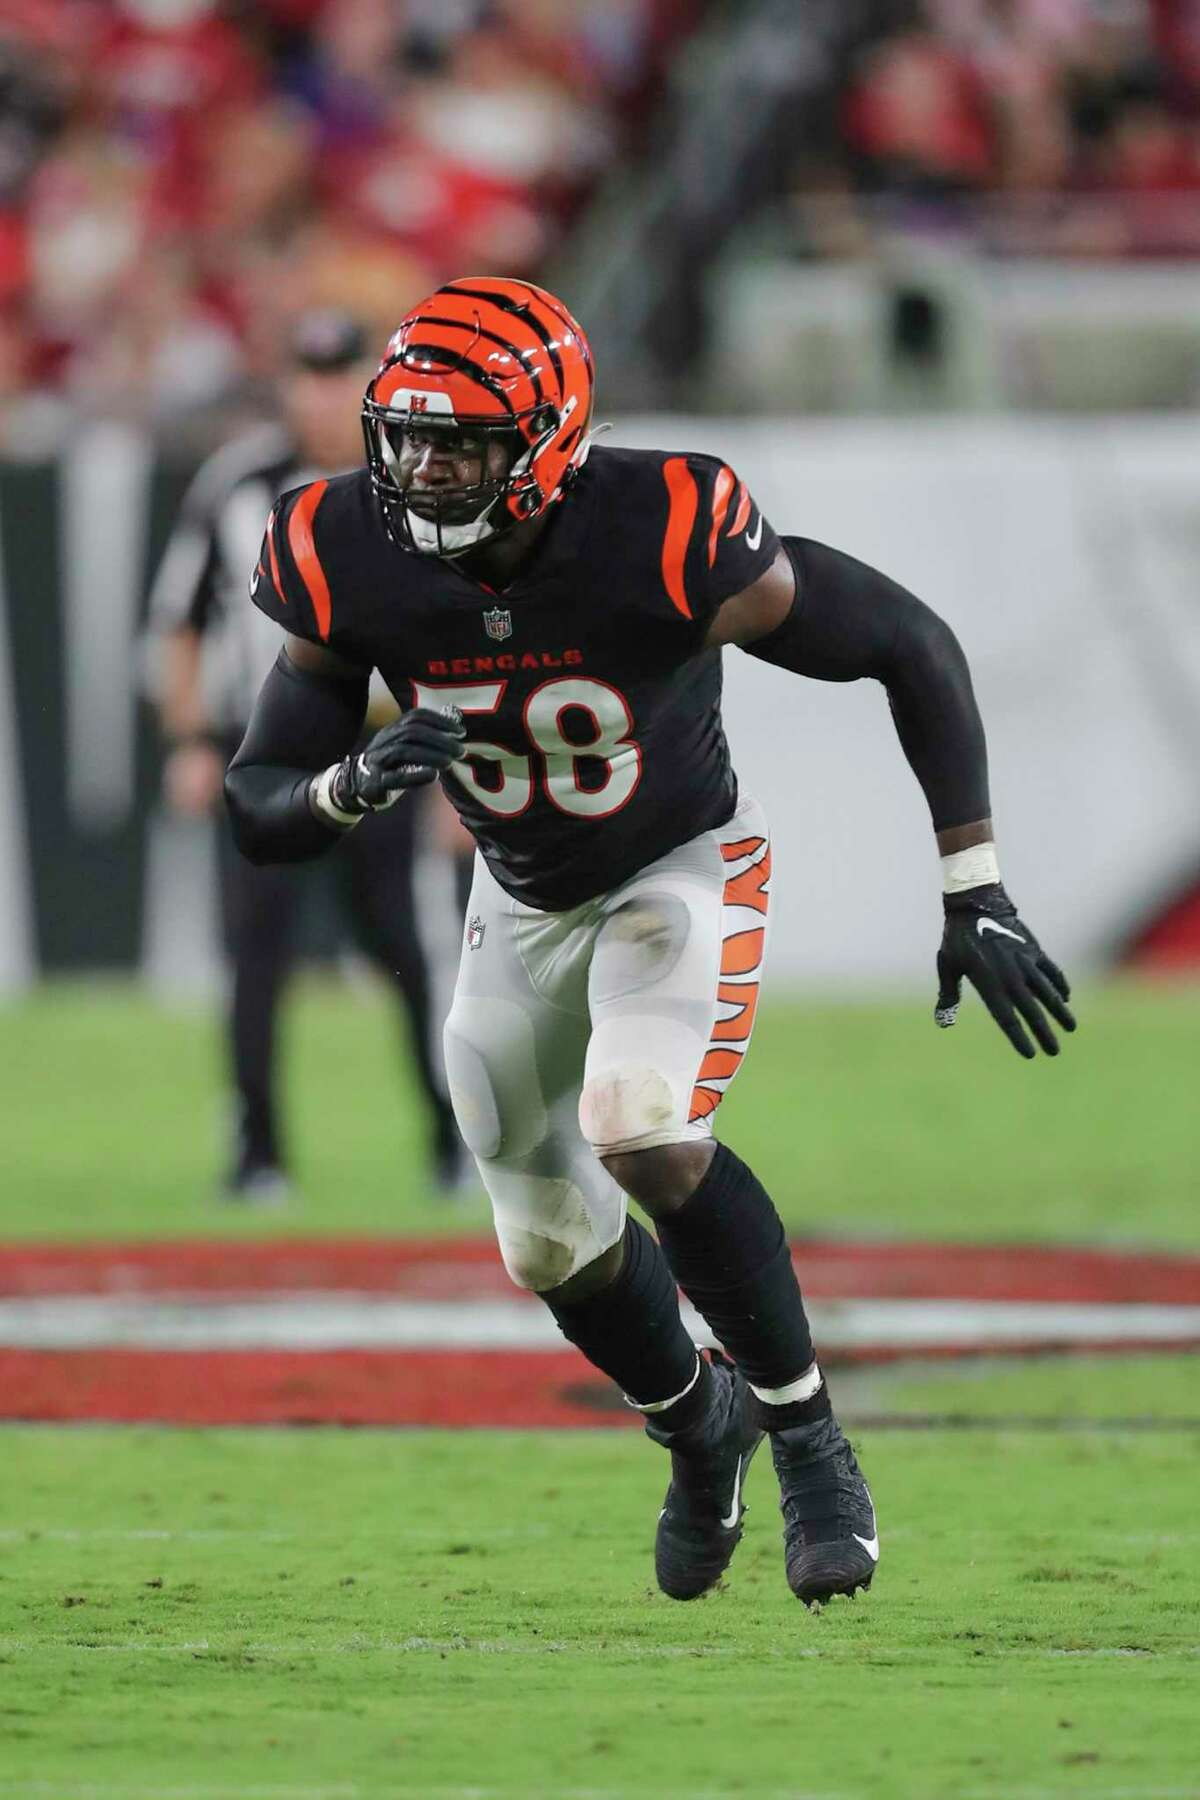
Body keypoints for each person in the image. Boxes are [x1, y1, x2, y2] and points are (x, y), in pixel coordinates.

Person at [225, 278, 1076, 1604]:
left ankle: (809, 1438)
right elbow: (258, 799)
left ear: (550, 442)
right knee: (544, 1245)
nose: (425, 468)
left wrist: (976, 886)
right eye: (409, 435)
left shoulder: (663, 529)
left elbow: (906, 642)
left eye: (463, 441)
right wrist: (348, 785)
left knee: (639, 1121)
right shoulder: (348, 545)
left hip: (676, 870)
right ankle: (696, 1424)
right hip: (516, 904)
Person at [149, 306, 468, 1202]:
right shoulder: (236, 483)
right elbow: (180, 622)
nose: (324, 396)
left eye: (341, 375)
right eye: (310, 375)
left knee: (407, 950)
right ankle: (258, 1152)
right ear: (287, 382)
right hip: (270, 748)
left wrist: (458, 777)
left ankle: (451, 1137)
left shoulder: (417, 478)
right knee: (255, 956)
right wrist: (189, 740)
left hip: (386, 745)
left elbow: (456, 639)